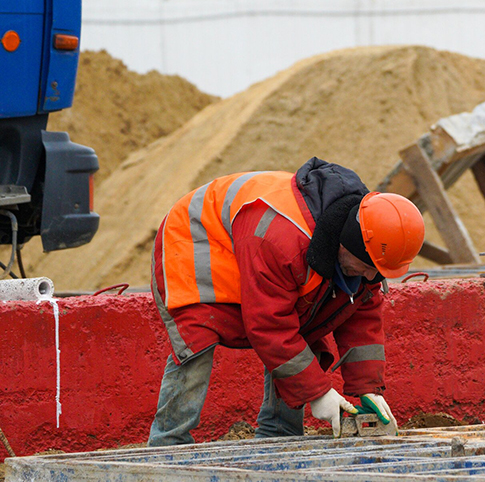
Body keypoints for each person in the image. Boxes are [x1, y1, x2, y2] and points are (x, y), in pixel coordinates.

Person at [147, 157, 425, 445]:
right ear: (347, 243)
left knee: (305, 327)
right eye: (368, 266)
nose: (371, 275)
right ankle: (169, 440)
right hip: (196, 237)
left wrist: (369, 389)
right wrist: (318, 393)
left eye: (378, 271)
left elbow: (362, 321)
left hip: (248, 240)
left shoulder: (368, 244)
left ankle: (278, 434)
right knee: (198, 334)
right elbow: (269, 326)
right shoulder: (282, 242)